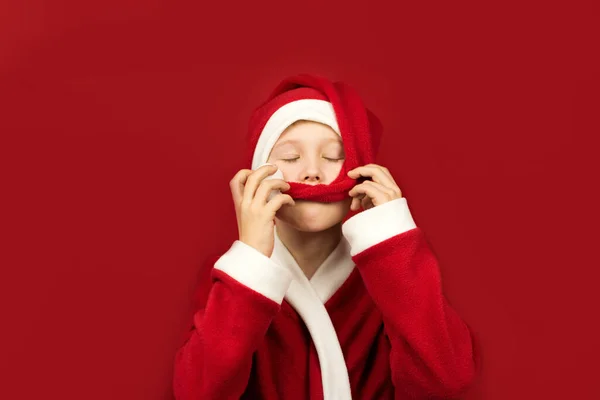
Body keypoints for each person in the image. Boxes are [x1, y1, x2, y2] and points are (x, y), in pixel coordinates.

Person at [172, 74, 478, 400]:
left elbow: (446, 381)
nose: (312, 172)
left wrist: (394, 241)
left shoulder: (389, 275)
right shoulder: (232, 277)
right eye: (291, 158)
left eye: (333, 156)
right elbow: (198, 394)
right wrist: (252, 257)